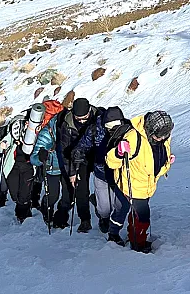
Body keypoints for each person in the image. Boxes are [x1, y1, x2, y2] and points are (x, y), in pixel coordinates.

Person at [106, 110, 175, 253]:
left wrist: (166, 164)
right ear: (150, 130)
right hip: (131, 185)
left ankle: (134, 237)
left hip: (147, 186)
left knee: (137, 215)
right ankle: (135, 243)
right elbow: (111, 162)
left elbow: (155, 163)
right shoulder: (133, 137)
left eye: (165, 136)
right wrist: (119, 152)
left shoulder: (163, 136)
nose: (161, 139)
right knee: (139, 216)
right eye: (158, 136)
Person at [71, 106, 127, 241]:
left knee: (120, 205)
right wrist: (78, 153)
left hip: (119, 174)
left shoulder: (128, 129)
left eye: (116, 126)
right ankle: (102, 216)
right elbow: (82, 145)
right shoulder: (94, 129)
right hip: (101, 173)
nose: (112, 129)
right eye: (109, 126)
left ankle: (114, 231)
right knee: (105, 209)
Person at [58, 98, 100, 232]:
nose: (82, 121)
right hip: (78, 158)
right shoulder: (67, 124)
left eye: (85, 118)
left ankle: (101, 206)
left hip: (98, 154)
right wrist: (71, 172)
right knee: (80, 188)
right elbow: (65, 150)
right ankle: (85, 220)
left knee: (105, 184)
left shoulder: (99, 117)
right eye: (78, 118)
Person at [31, 113, 69, 228]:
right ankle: (46, 210)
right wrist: (41, 156)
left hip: (67, 168)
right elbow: (33, 158)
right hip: (52, 169)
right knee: (53, 196)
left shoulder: (71, 128)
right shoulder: (46, 134)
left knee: (69, 197)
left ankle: (60, 219)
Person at [0, 115, 35, 222]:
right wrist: (2, 145)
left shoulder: (32, 134)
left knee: (24, 194)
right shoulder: (12, 135)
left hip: (28, 167)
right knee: (14, 194)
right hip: (12, 167)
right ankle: (21, 209)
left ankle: (23, 214)